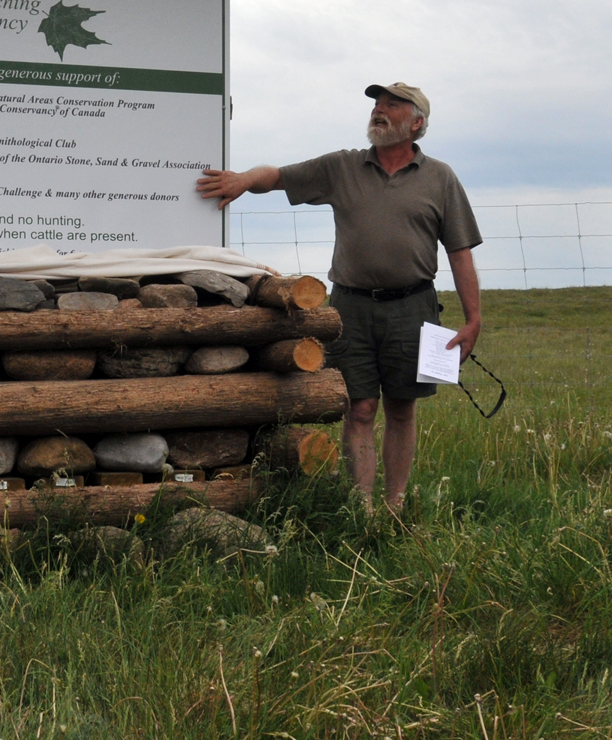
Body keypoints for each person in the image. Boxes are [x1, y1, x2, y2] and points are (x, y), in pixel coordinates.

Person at [196, 83, 483, 514]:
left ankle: (396, 503)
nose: (379, 111)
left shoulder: (440, 178)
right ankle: (362, 507)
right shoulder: (342, 167)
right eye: (376, 104)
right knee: (361, 408)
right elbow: (278, 177)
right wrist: (242, 180)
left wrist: (473, 319)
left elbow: (460, 252)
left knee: (402, 408)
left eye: (392, 105)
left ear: (417, 123)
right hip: (351, 307)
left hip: (414, 306)